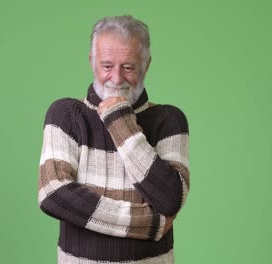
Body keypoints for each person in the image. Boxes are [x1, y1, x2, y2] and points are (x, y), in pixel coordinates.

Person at [38, 15, 190, 264]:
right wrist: (151, 224)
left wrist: (118, 119)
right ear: (92, 62)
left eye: (128, 67)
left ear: (146, 64)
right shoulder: (66, 115)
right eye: (107, 66)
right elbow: (53, 195)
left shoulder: (169, 120)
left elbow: (169, 198)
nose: (117, 79)